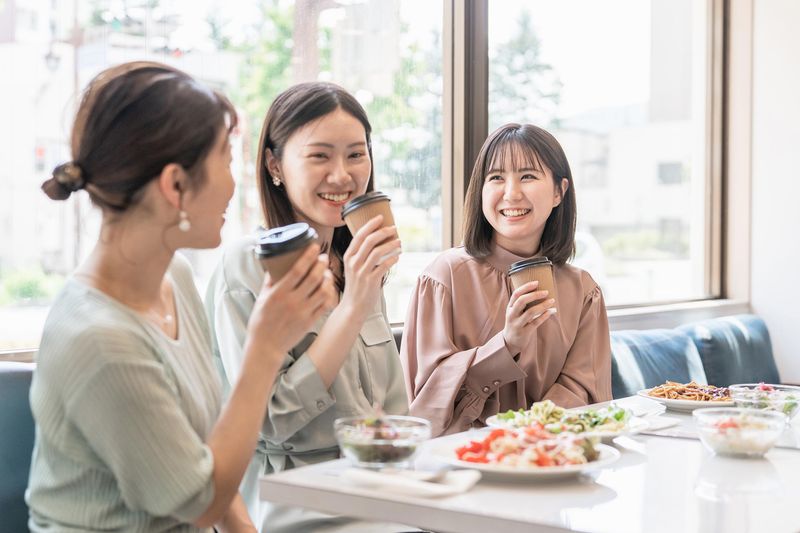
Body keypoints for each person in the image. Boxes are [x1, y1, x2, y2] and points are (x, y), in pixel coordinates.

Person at [27, 61, 336, 532]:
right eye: (225, 161)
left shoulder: (175, 278)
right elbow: (200, 502)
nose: (234, 182)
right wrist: (266, 347)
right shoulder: (101, 339)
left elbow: (209, 451)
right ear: (175, 185)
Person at [206, 82, 409, 532]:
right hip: (296, 502)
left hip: (381, 487)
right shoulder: (248, 266)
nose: (342, 175)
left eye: (356, 154)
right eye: (320, 156)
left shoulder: (354, 261)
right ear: (275, 165)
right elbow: (270, 422)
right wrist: (352, 307)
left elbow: (393, 410)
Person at [401, 123, 612, 437]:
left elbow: (584, 392)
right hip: (462, 458)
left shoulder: (582, 290)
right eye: (496, 177)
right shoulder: (444, 277)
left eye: (527, 176)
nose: (511, 193)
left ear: (559, 191)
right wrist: (506, 345)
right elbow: (425, 405)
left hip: (551, 454)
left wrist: (527, 436)